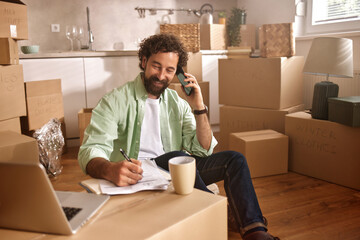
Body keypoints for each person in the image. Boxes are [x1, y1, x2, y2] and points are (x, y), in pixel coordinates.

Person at [78, 33, 279, 240]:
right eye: (156, 66)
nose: (161, 75)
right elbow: (90, 150)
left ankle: (255, 232)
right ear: (144, 61)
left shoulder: (178, 103)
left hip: (175, 170)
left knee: (235, 160)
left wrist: (199, 107)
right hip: (141, 174)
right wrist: (109, 168)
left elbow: (202, 149)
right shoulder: (115, 101)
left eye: (169, 70)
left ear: (178, 72)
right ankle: (219, 211)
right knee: (174, 156)